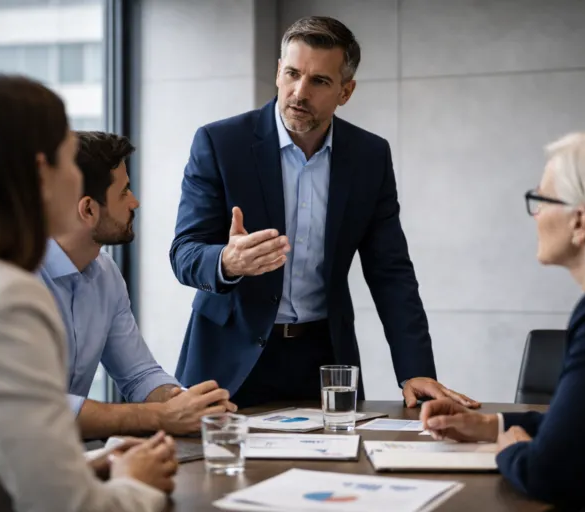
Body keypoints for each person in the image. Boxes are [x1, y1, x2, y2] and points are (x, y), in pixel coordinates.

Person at [0, 71, 177, 511]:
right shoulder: (2, 298)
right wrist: (137, 484)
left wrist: (85, 467)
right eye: (68, 158)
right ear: (41, 174)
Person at [170, 15, 478, 409]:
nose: (299, 92)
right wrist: (227, 261)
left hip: (324, 360)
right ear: (278, 72)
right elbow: (184, 252)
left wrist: (415, 368)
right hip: (227, 359)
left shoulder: (369, 156)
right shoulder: (219, 143)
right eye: (293, 74)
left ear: (345, 91)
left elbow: (391, 272)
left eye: (319, 81)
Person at [420, 130, 585, 509]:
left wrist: (509, 449)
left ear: (580, 222)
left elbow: (552, 472)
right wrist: (489, 425)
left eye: (541, 200)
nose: (536, 215)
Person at [39, 131, 235, 440]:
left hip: (63, 461)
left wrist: (183, 401)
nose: (135, 202)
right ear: (88, 209)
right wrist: (161, 416)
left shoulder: (105, 273)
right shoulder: (19, 281)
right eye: (124, 191)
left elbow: (138, 374)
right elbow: (36, 410)